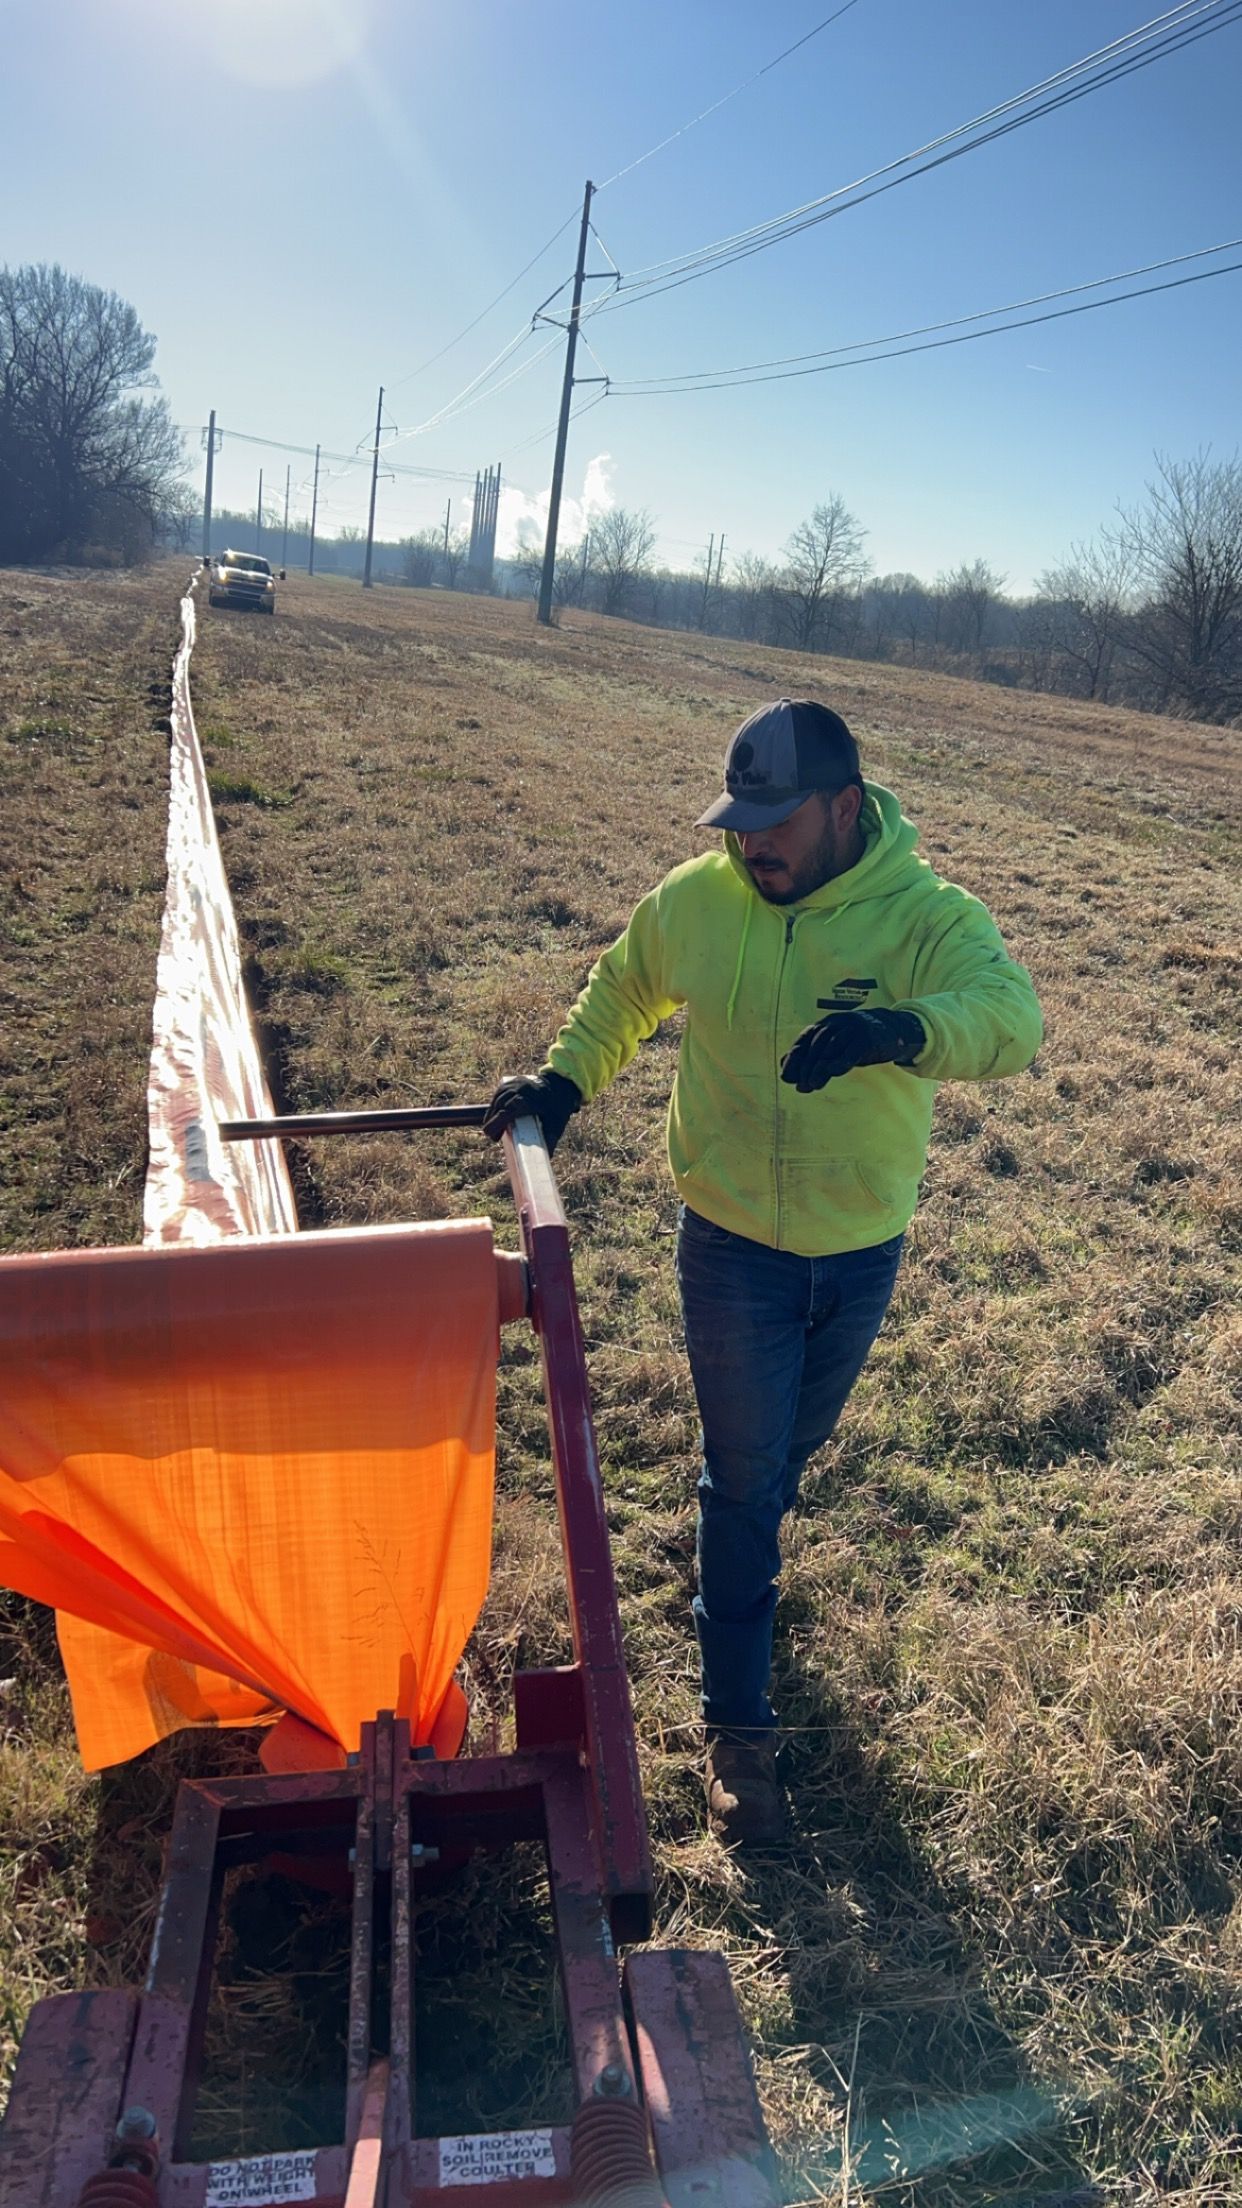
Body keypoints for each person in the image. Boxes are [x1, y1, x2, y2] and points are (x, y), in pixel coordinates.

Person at [484, 699, 1042, 1846]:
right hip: (732, 1246)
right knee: (743, 1481)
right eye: (739, 824)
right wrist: (562, 1084)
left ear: (845, 809)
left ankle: (744, 1557)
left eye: (776, 823)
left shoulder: (927, 915)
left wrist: (902, 1030)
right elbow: (624, 989)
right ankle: (739, 1724)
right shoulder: (699, 901)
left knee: (784, 1456)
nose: (753, 846)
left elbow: (1012, 1017)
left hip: (860, 1251)